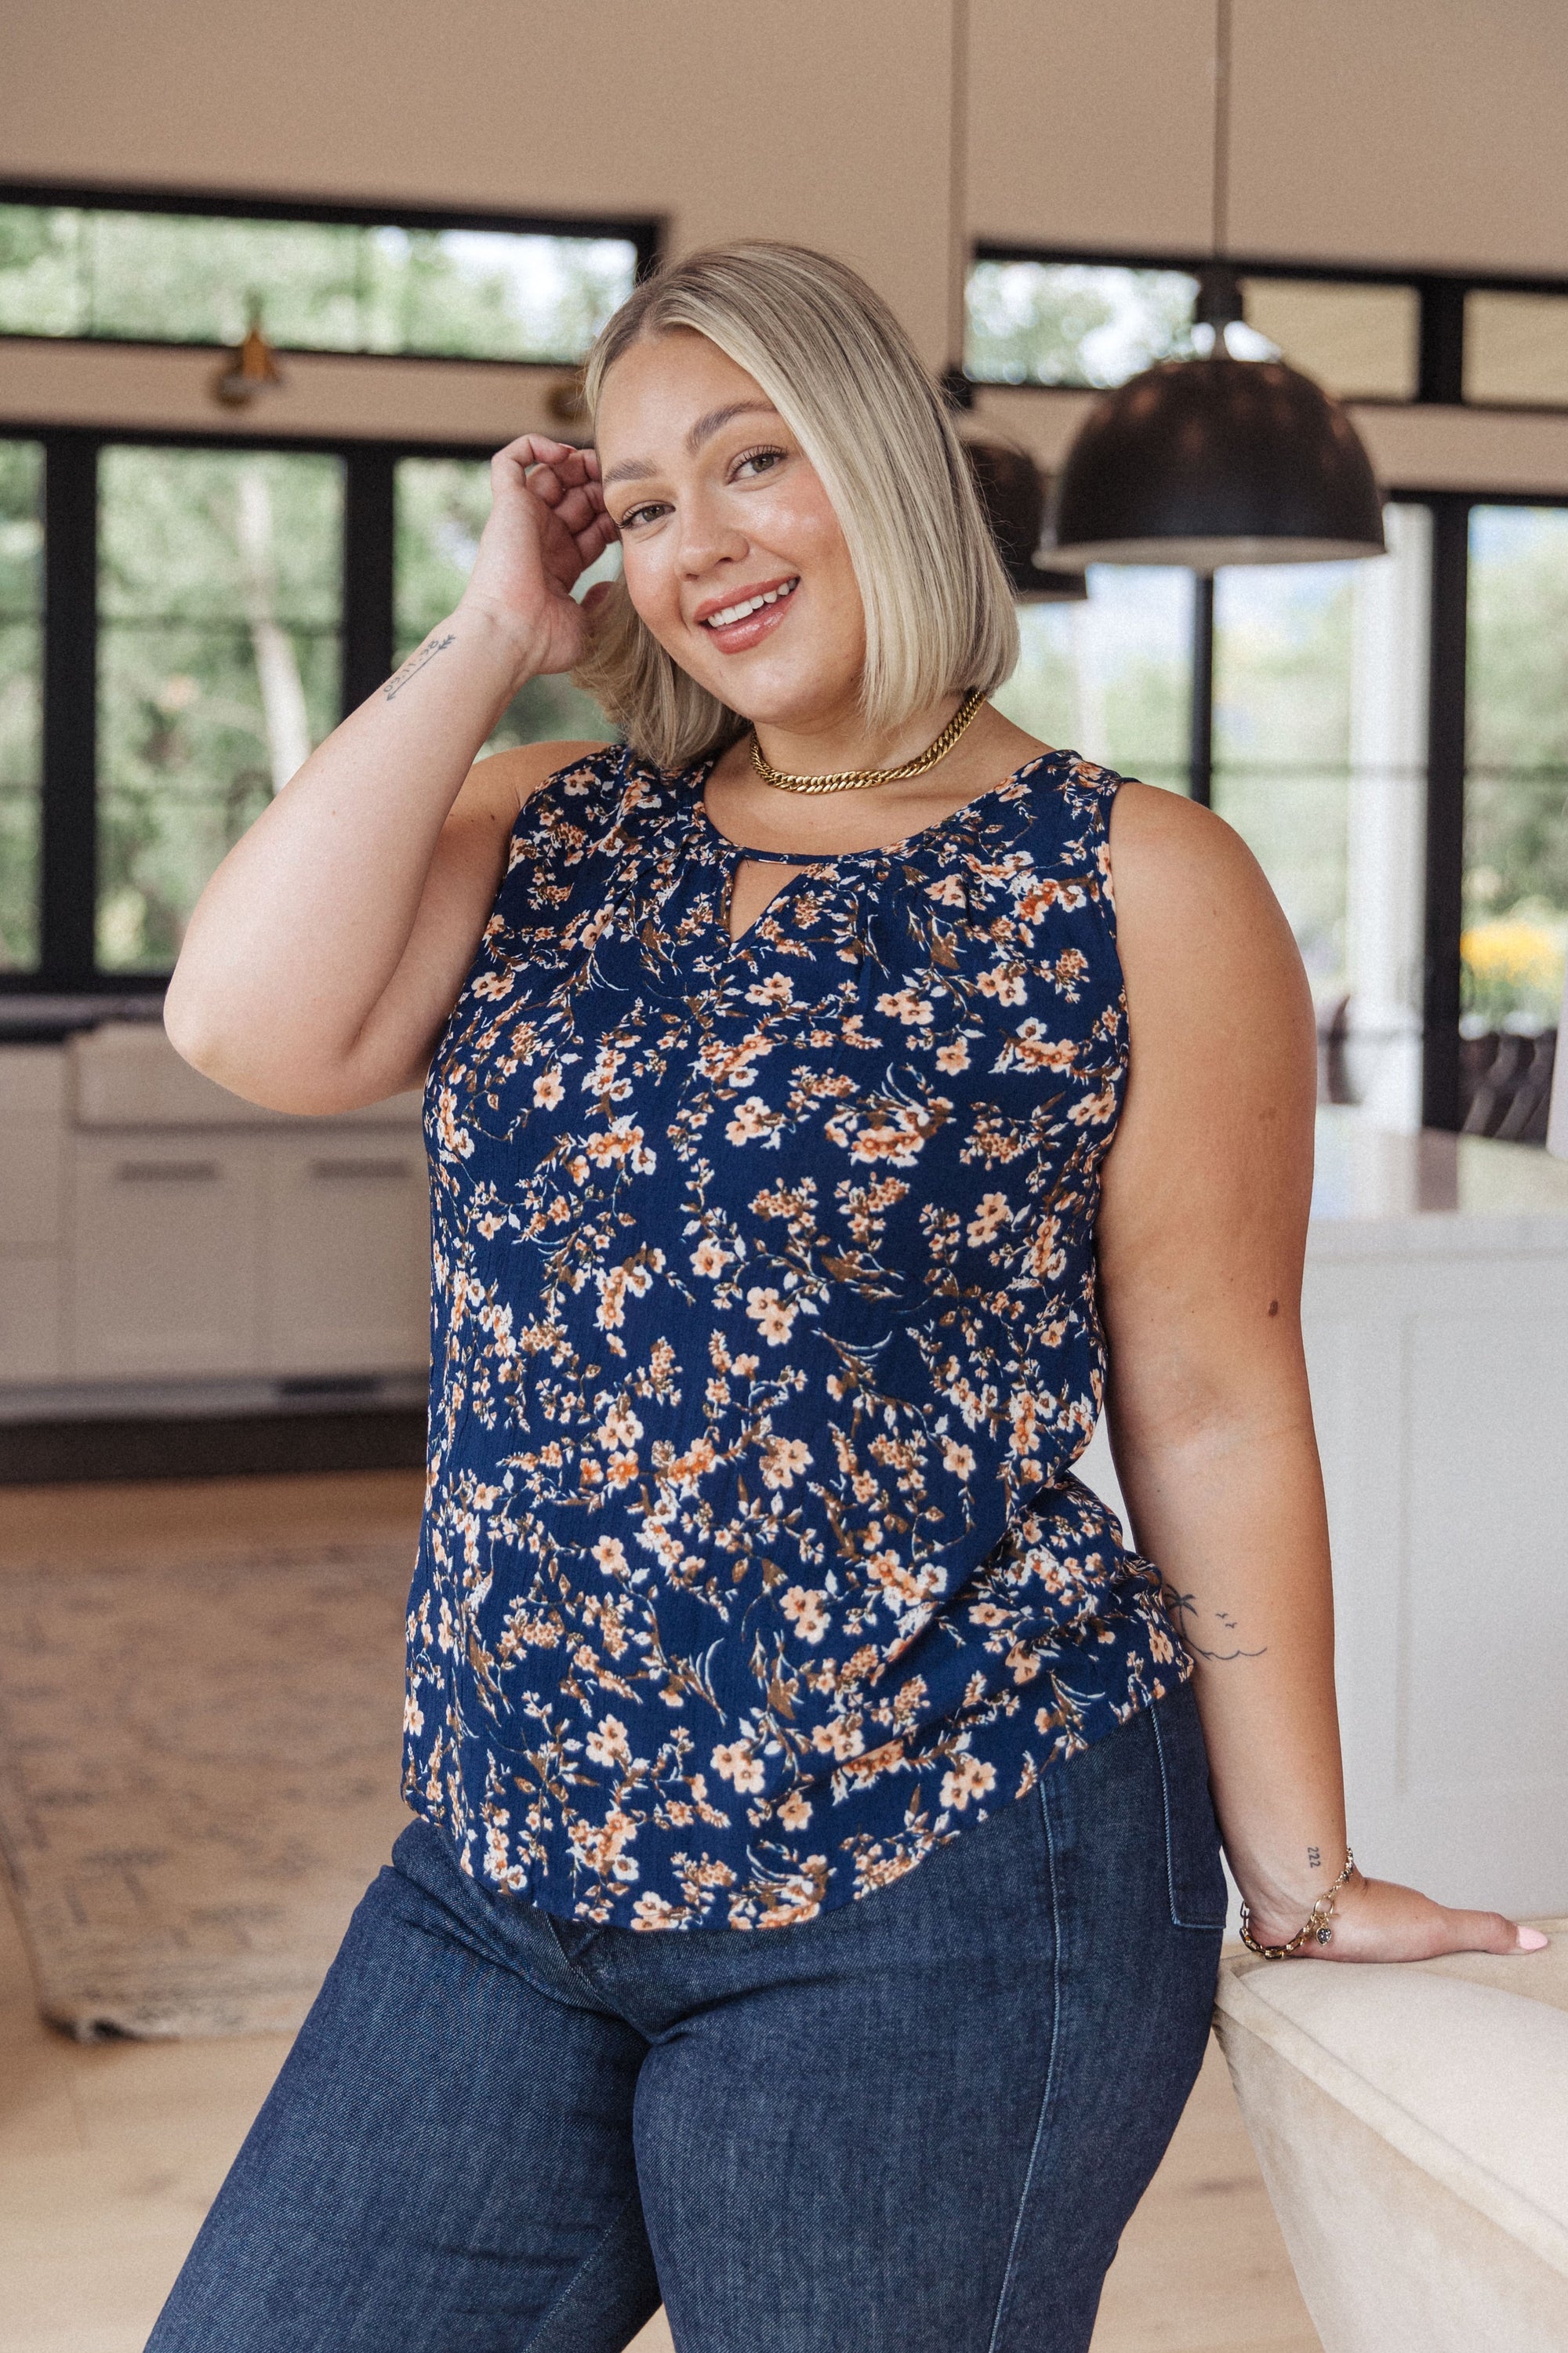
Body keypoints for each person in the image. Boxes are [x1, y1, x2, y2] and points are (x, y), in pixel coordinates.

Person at [150, 242, 1545, 2353]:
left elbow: (1209, 1393)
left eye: (751, 461)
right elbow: (241, 1022)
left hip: (942, 1875)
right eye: (638, 504)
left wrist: (1308, 1871)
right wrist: (495, 627)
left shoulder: (1133, 882)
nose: (694, 544)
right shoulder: (547, 829)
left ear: (884, 459)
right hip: (507, 1869)